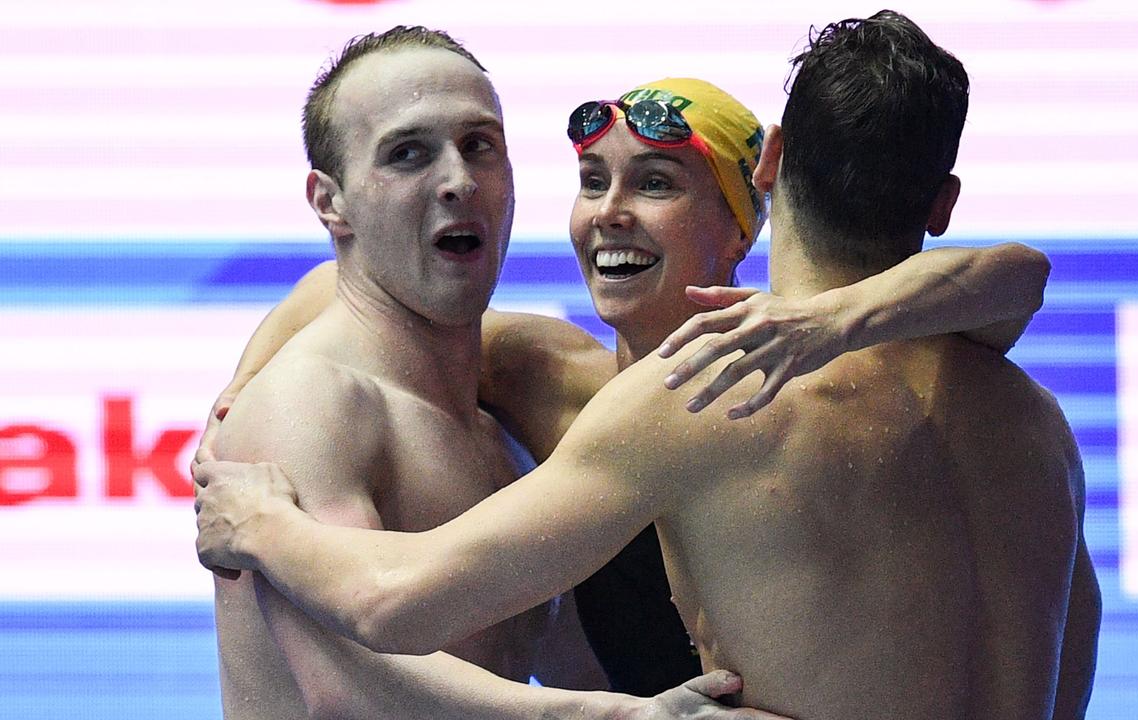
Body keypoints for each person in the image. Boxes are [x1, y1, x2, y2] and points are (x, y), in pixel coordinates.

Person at [196, 11, 1099, 720]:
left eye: (658, 183)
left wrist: (259, 522)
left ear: (766, 178)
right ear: (941, 204)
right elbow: (370, 285)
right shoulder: (1039, 431)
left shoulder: (691, 402)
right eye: (593, 182)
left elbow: (392, 604)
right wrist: (244, 391)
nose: (613, 212)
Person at [204, 24, 798, 720]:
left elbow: (555, 660)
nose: (457, 180)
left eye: (479, 146)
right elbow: (353, 690)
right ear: (330, 202)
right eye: (408, 155)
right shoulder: (313, 405)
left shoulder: (513, 422)